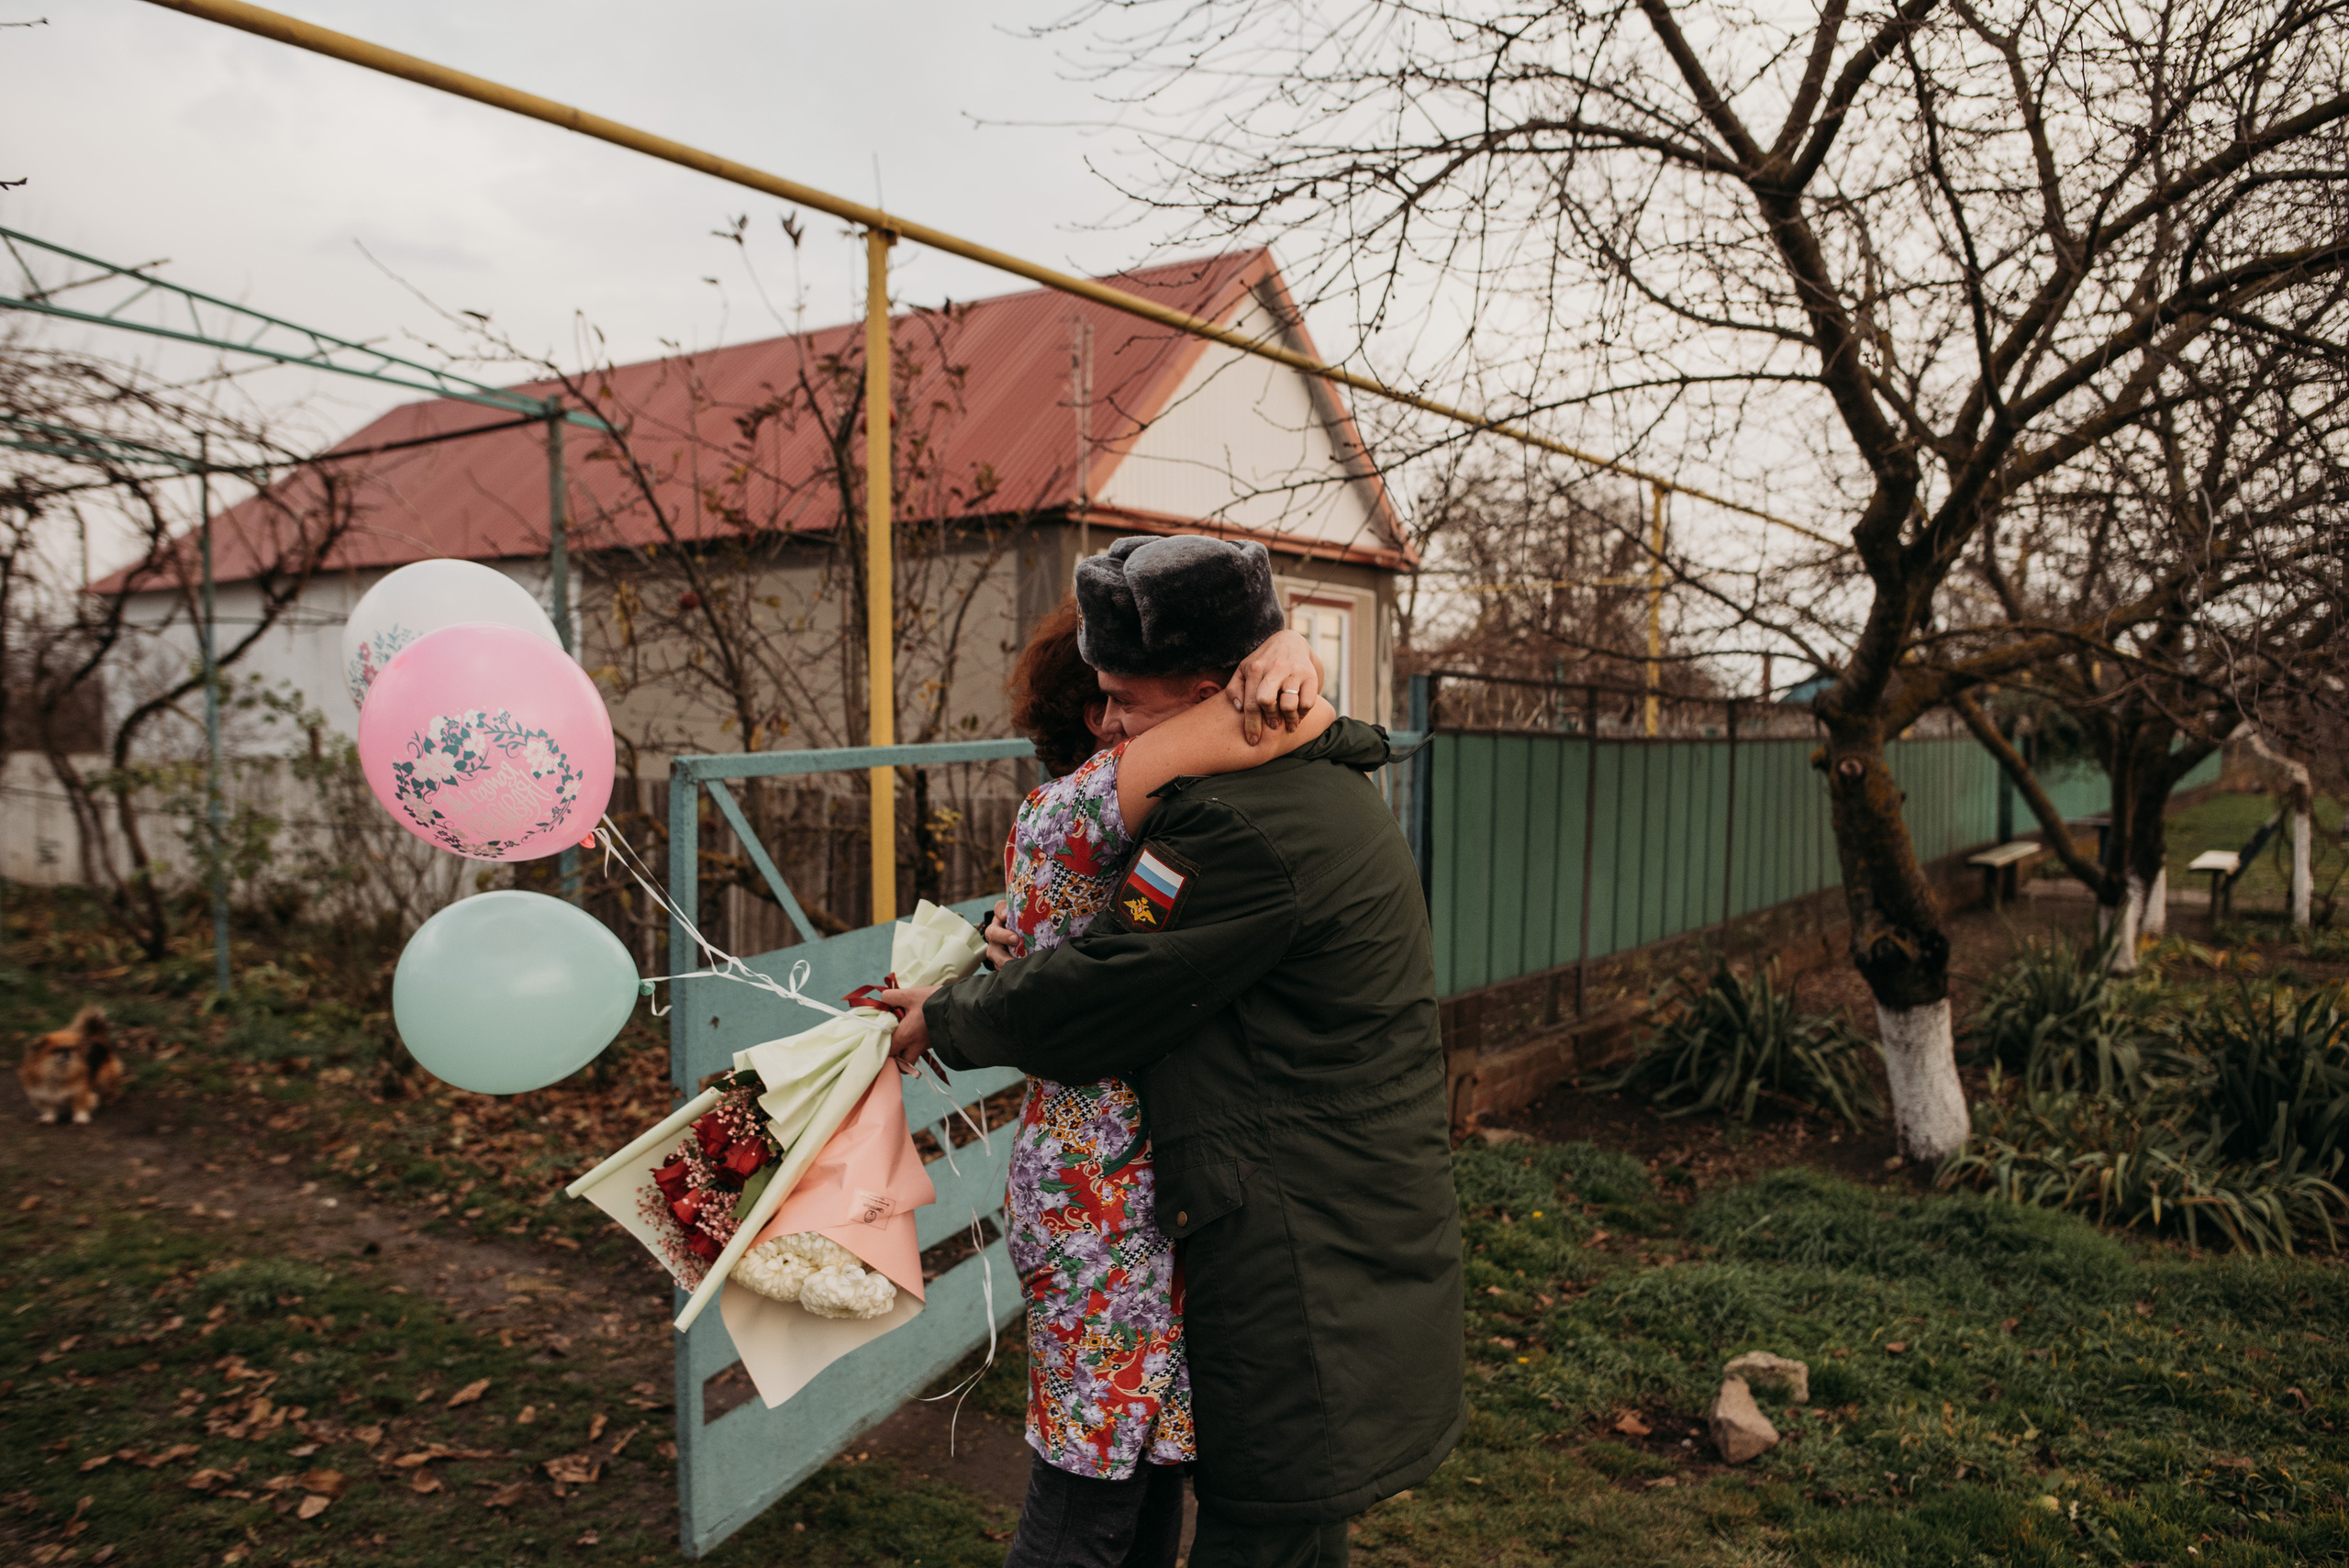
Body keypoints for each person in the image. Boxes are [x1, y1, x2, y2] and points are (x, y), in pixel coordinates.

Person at [884, 535, 1464, 1568]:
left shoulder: (1242, 827)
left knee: (1266, 1515)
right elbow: (1131, 949)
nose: (1105, 726)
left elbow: (1104, 987)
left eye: (1124, 701)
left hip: (1301, 1233)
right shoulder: (1302, 783)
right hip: (1322, 1201)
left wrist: (957, 1014)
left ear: (1209, 695)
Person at [986, 593, 1332, 1568]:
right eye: (1097, 702)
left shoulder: (1142, 830)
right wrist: (1285, 652)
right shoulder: (1078, 805)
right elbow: (1271, 720)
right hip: (1104, 1214)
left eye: (1122, 699)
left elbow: (1121, 931)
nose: (1112, 723)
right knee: (1081, 1504)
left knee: (1142, 1482)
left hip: (1152, 1207)